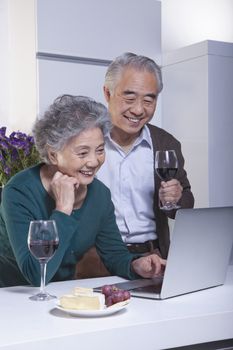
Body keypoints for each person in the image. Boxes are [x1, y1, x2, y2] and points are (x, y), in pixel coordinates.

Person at [0, 94, 166, 287]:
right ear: (53, 154)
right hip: (12, 296)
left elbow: (114, 254)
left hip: (63, 294)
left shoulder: (100, 194)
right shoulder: (19, 192)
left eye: (100, 150)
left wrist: (136, 264)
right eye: (83, 153)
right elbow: (36, 273)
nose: (94, 161)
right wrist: (63, 209)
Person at [76, 52, 194, 278]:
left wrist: (177, 198)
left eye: (149, 100)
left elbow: (186, 205)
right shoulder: (84, 142)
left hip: (153, 258)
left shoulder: (166, 143)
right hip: (94, 259)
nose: (139, 110)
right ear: (107, 93)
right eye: (129, 98)